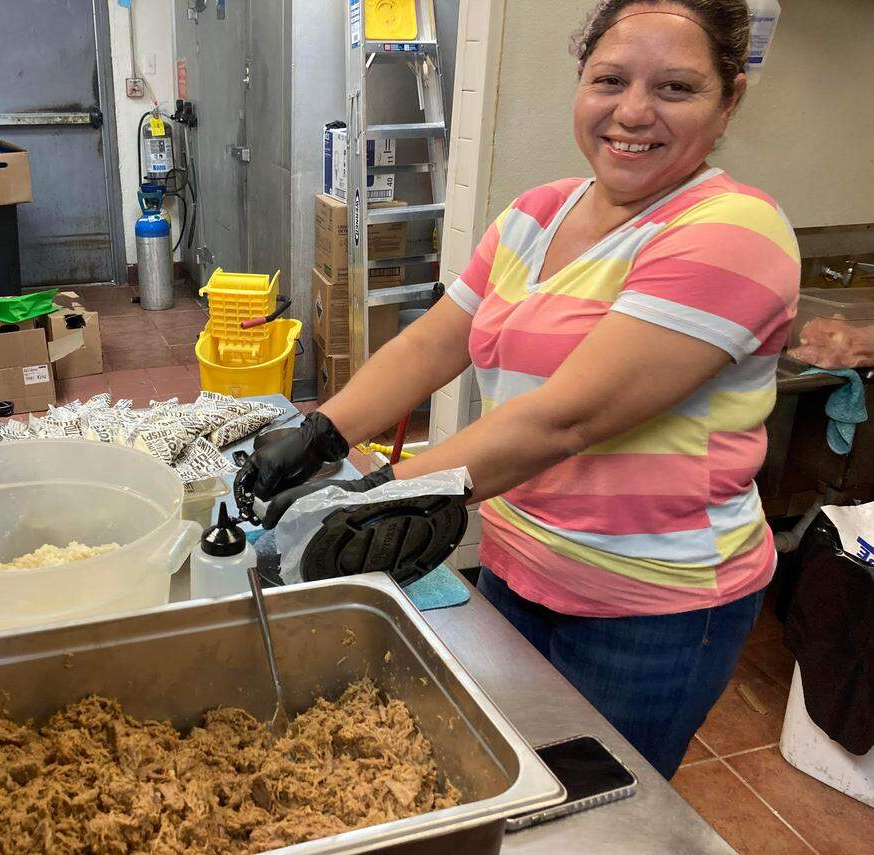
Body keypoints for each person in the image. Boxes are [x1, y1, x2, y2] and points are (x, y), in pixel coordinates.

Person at [238, 0, 799, 779]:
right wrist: (320, 432)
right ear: (581, 83)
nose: (633, 111)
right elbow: (434, 342)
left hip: (653, 610)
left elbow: (565, 417)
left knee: (587, 813)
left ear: (729, 99)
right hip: (517, 565)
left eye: (675, 88)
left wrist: (380, 492)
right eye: (611, 79)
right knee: (498, 776)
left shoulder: (733, 233)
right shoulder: (538, 213)